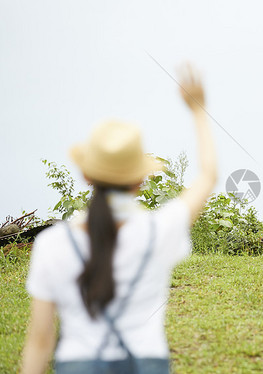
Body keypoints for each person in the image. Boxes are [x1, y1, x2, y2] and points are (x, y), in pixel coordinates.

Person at [21, 63, 217, 374]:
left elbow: (40, 340)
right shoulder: (158, 231)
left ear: (86, 175)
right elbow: (208, 176)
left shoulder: (51, 244)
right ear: (140, 180)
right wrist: (198, 110)